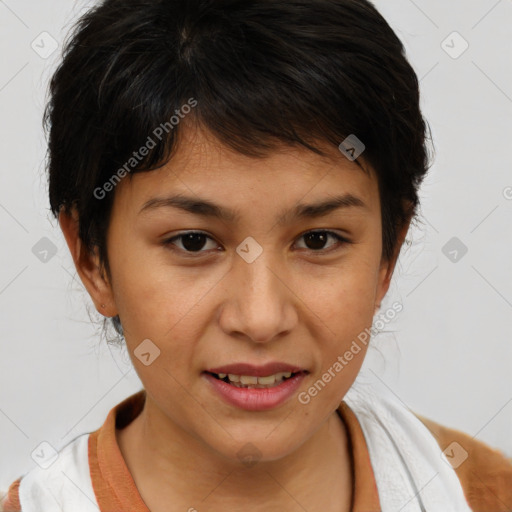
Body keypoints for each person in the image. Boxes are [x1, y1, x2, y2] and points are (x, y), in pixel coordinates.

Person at [2, 0, 512, 511]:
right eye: (193, 242)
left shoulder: (481, 493)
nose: (261, 318)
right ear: (92, 260)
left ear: (388, 254)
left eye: (318, 240)